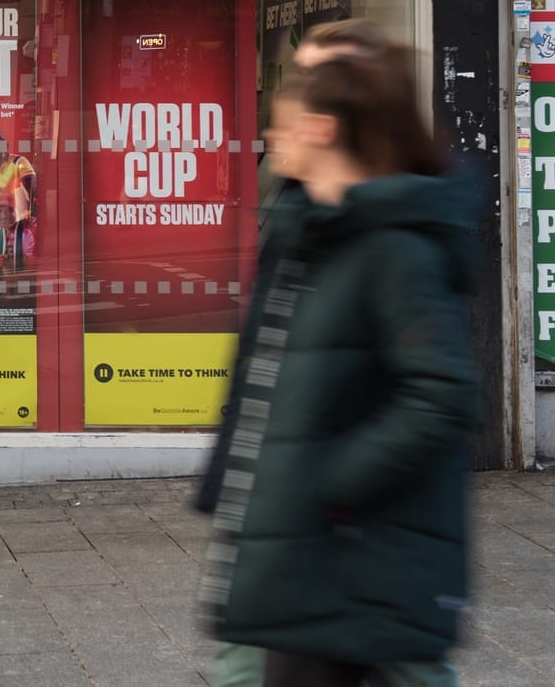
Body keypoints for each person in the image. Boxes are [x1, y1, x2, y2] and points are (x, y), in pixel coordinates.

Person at [197, 48, 476, 687]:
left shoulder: (393, 248)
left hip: (362, 547)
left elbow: (442, 394)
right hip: (312, 544)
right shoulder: (313, 232)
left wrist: (329, 481)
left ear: (321, 128)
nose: (270, 138)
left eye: (281, 122)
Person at [0, 126, 37, 251]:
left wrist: (31, 215)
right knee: (1, 257)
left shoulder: (19, 162)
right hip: (2, 221)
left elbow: (33, 189)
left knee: (24, 256)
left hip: (22, 221)